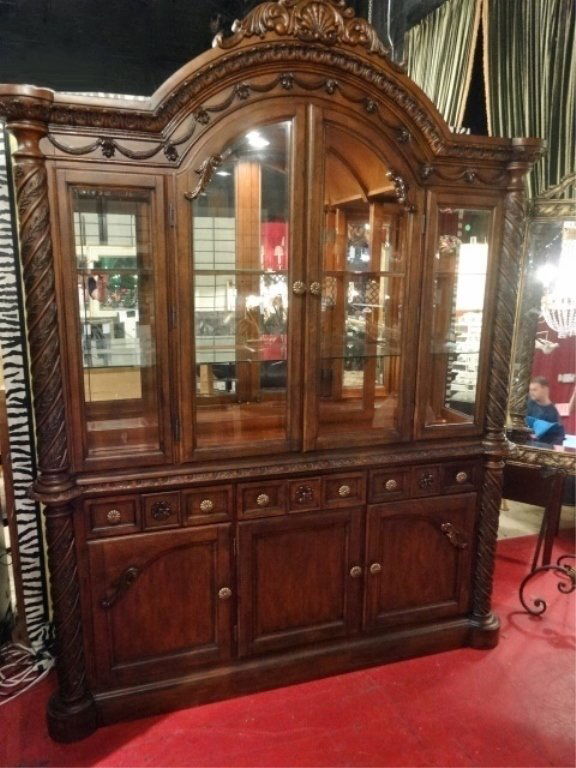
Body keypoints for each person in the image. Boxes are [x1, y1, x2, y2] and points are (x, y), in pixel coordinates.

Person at [526, 376, 565, 445]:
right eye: (530, 390)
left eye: (535, 390)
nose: (531, 392)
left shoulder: (553, 414)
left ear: (545, 389)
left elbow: (557, 439)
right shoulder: (527, 405)